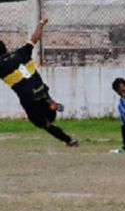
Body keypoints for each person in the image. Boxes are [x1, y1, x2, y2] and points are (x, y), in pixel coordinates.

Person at [0, 17, 78, 147]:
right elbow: (35, 37)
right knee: (46, 107)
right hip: (40, 89)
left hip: (28, 98)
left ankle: (69, 140)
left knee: (45, 124)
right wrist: (41, 23)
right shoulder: (21, 52)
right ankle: (49, 103)